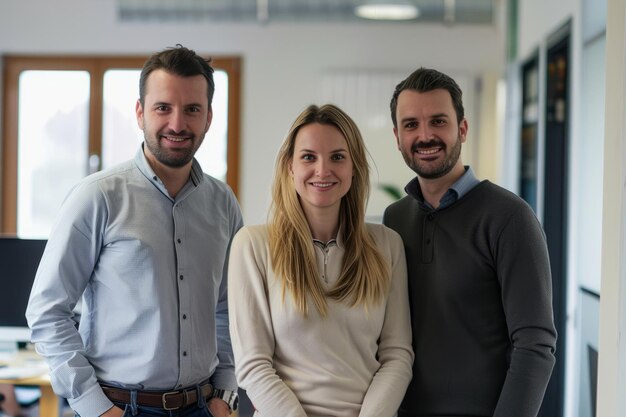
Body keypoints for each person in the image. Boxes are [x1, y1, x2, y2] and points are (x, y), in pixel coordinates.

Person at [25, 45, 243, 417]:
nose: (177, 124)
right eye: (163, 108)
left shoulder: (222, 203)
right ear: (140, 112)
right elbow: (47, 311)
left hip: (203, 407)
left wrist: (226, 391)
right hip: (119, 408)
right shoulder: (97, 197)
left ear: (208, 117)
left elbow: (229, 308)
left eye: (192, 109)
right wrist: (93, 406)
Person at [383, 67, 557, 417]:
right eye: (411, 125)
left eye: (438, 121)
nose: (425, 135)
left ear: (462, 128)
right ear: (397, 136)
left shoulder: (510, 218)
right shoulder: (393, 221)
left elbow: (535, 345)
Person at [228, 104, 414, 417]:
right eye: (308, 157)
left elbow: (397, 355)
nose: (323, 170)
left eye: (338, 157)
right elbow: (253, 365)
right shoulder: (253, 246)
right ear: (290, 166)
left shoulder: (387, 245)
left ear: (354, 167)